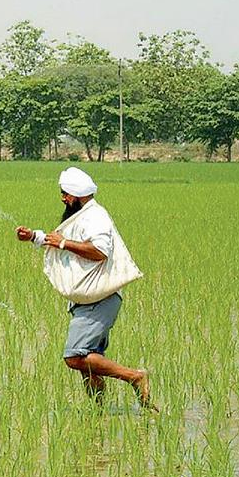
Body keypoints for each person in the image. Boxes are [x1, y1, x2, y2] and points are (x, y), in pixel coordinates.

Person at [15, 167, 155, 410]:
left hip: (99, 300)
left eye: (65, 194)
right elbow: (62, 239)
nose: (63, 198)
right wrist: (33, 236)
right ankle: (97, 414)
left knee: (75, 356)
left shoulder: (95, 217)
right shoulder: (81, 215)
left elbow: (99, 252)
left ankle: (135, 377)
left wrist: (64, 244)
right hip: (88, 300)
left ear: (78, 195)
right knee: (89, 363)